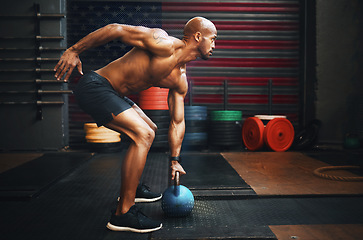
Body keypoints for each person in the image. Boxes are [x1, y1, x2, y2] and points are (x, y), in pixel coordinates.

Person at [54, 16, 217, 233]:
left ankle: (133, 188)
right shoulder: (162, 43)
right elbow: (116, 29)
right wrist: (74, 50)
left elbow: (177, 121)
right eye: (213, 39)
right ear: (198, 37)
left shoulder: (179, 78)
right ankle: (123, 213)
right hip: (95, 86)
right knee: (144, 135)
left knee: (151, 128)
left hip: (114, 95)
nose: (215, 45)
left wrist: (175, 160)